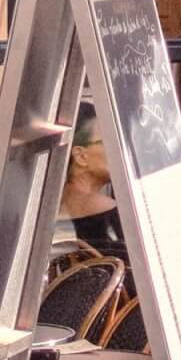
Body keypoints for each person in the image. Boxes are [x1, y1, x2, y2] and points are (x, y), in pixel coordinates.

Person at [61, 103, 124, 254]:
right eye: (108, 141)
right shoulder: (106, 209)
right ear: (81, 157)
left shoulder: (56, 203)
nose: (118, 148)